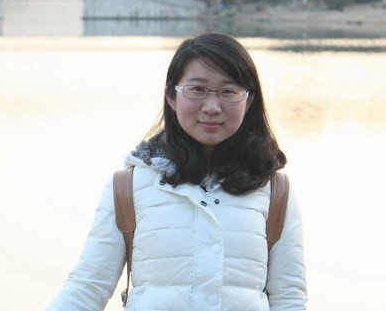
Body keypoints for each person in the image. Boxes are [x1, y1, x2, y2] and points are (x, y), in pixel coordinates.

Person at [46, 32, 307, 311]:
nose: (212, 107)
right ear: (171, 96)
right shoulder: (128, 186)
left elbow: (289, 299)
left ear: (249, 99)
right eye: (197, 89)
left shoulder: (275, 192)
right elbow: (88, 287)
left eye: (228, 92)